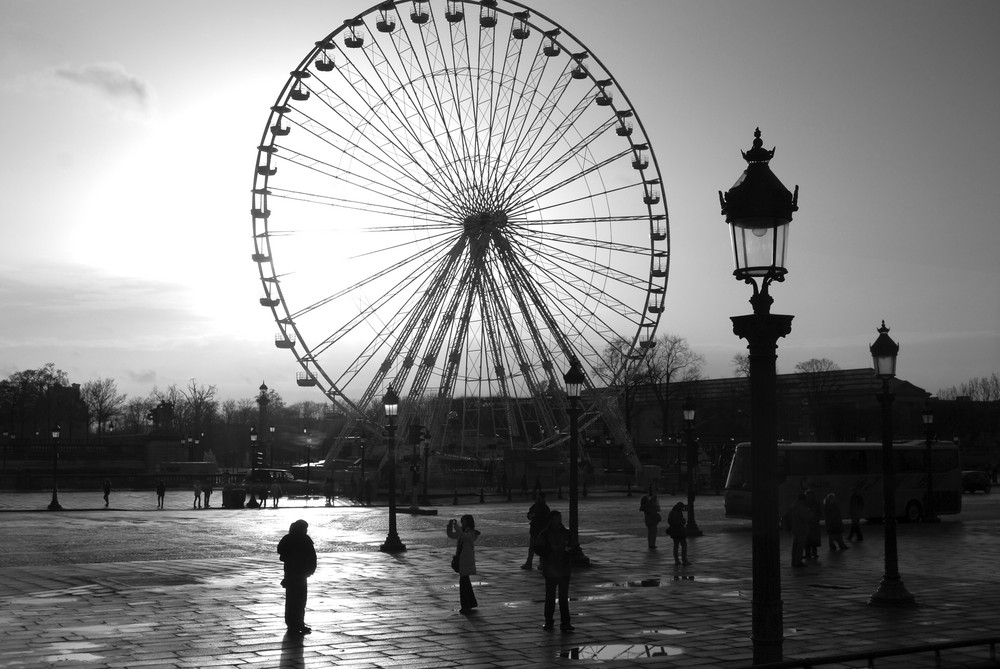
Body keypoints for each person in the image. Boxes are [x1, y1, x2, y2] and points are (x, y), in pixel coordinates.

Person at [534, 510, 574, 632]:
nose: (559, 520)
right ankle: (549, 621)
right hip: (551, 568)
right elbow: (538, 549)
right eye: (557, 518)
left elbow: (573, 547)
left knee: (563, 598)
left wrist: (569, 551)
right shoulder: (545, 534)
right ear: (551, 520)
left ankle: (565, 622)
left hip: (563, 568)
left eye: (560, 518)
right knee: (550, 597)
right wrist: (550, 549)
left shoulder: (565, 533)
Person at [277, 519, 317, 635]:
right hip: (300, 574)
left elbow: (280, 550)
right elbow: (311, 556)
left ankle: (292, 624)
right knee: (300, 600)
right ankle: (298, 623)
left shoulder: (288, 538)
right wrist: (310, 570)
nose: (306, 530)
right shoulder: (305, 539)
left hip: (290, 573)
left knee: (291, 600)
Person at [446, 515, 480, 614]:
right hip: (462, 559)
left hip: (466, 560)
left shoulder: (472, 533)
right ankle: (469, 603)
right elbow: (452, 535)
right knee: (465, 583)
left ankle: (466, 605)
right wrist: (449, 526)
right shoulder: (463, 531)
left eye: (464, 521)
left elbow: (464, 537)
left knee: (464, 583)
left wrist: (456, 527)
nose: (463, 523)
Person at [522, 491, 550, 570]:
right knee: (538, 547)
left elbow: (530, 514)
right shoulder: (543, 507)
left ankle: (531, 563)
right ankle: (537, 563)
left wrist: (531, 516)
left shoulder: (540, 507)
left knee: (536, 547)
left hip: (538, 529)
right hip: (538, 529)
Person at [788, 493, 811, 567]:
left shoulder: (794, 506)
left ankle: (794, 560)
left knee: (795, 545)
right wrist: (810, 513)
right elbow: (805, 518)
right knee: (800, 546)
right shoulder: (801, 508)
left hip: (795, 528)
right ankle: (798, 561)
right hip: (802, 528)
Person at [639, 484, 662, 550]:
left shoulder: (645, 506)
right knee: (653, 533)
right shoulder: (649, 506)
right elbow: (654, 512)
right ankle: (652, 544)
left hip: (648, 520)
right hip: (651, 520)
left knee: (650, 533)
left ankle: (650, 544)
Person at [803, 489, 822, 560]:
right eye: (808, 495)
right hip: (807, 523)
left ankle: (814, 553)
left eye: (810, 495)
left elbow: (819, 512)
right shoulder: (804, 503)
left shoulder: (816, 503)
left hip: (814, 524)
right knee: (807, 540)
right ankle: (807, 553)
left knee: (814, 540)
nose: (809, 496)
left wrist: (815, 518)